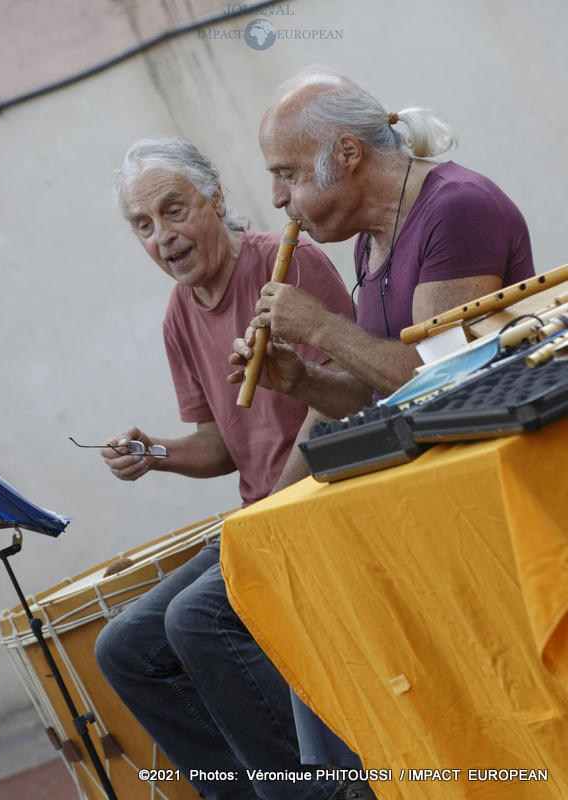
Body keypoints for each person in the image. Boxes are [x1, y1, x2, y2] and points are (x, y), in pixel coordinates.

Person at [228, 66, 534, 794]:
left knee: (242, 604)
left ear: (347, 154)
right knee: (256, 583)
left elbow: (441, 381)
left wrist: (321, 328)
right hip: (416, 484)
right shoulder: (371, 240)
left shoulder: (457, 208)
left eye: (286, 174)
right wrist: (300, 380)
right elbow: (374, 392)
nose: (278, 199)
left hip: (477, 490)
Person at [93, 136, 356, 800]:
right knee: (123, 649)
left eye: (173, 210)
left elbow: (345, 399)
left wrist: (271, 509)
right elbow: (218, 445)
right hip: (259, 518)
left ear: (214, 198)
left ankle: (318, 791)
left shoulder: (285, 264)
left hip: (324, 499)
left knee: (196, 618)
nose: (162, 237)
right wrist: (153, 453)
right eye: (142, 225)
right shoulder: (179, 315)